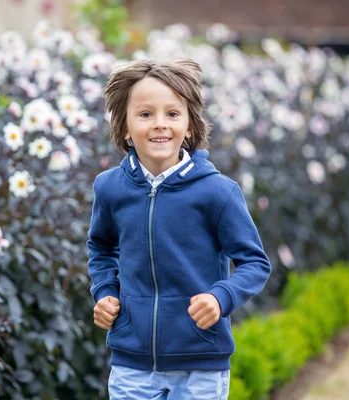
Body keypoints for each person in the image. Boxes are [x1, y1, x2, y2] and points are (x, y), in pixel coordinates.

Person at [87, 58, 272, 400]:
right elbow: (100, 248)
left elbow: (255, 263)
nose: (160, 125)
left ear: (189, 126)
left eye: (172, 114)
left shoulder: (217, 192)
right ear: (125, 127)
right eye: (145, 114)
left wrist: (221, 297)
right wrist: (104, 292)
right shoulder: (110, 188)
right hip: (132, 362)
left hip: (201, 364)